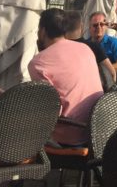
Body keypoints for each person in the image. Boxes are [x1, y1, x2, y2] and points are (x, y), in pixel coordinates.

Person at [28, 9, 103, 144]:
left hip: (67, 137)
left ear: (42, 31)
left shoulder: (38, 63)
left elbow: (50, 111)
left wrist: (8, 100)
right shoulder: (85, 49)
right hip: (97, 129)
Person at [63, 10, 117, 89]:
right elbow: (112, 73)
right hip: (94, 95)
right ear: (83, 26)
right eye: (95, 25)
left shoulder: (58, 49)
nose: (99, 27)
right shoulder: (92, 46)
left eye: (101, 24)